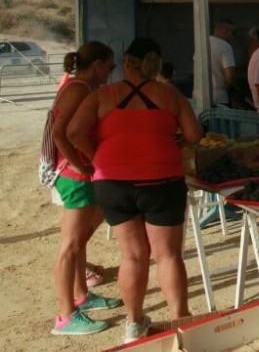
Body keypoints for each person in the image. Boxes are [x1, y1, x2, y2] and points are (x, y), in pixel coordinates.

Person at [66, 38, 203, 343]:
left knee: (132, 257)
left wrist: (95, 156)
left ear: (127, 62)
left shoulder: (103, 94)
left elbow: (74, 132)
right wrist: (170, 141)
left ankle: (133, 324)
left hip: (112, 183)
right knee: (167, 256)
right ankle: (182, 322)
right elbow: (194, 134)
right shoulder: (169, 95)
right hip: (162, 180)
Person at [44, 42, 121, 336]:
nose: (110, 73)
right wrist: (77, 163)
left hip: (78, 175)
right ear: (98, 64)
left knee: (79, 241)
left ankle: (81, 296)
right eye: (110, 67)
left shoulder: (79, 87)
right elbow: (61, 132)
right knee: (70, 245)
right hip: (73, 177)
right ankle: (65, 316)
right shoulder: (79, 89)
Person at [197, 18, 236, 107]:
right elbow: (230, 76)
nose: (231, 35)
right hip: (220, 97)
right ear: (224, 30)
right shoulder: (225, 46)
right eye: (232, 32)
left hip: (200, 96)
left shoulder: (201, 44)